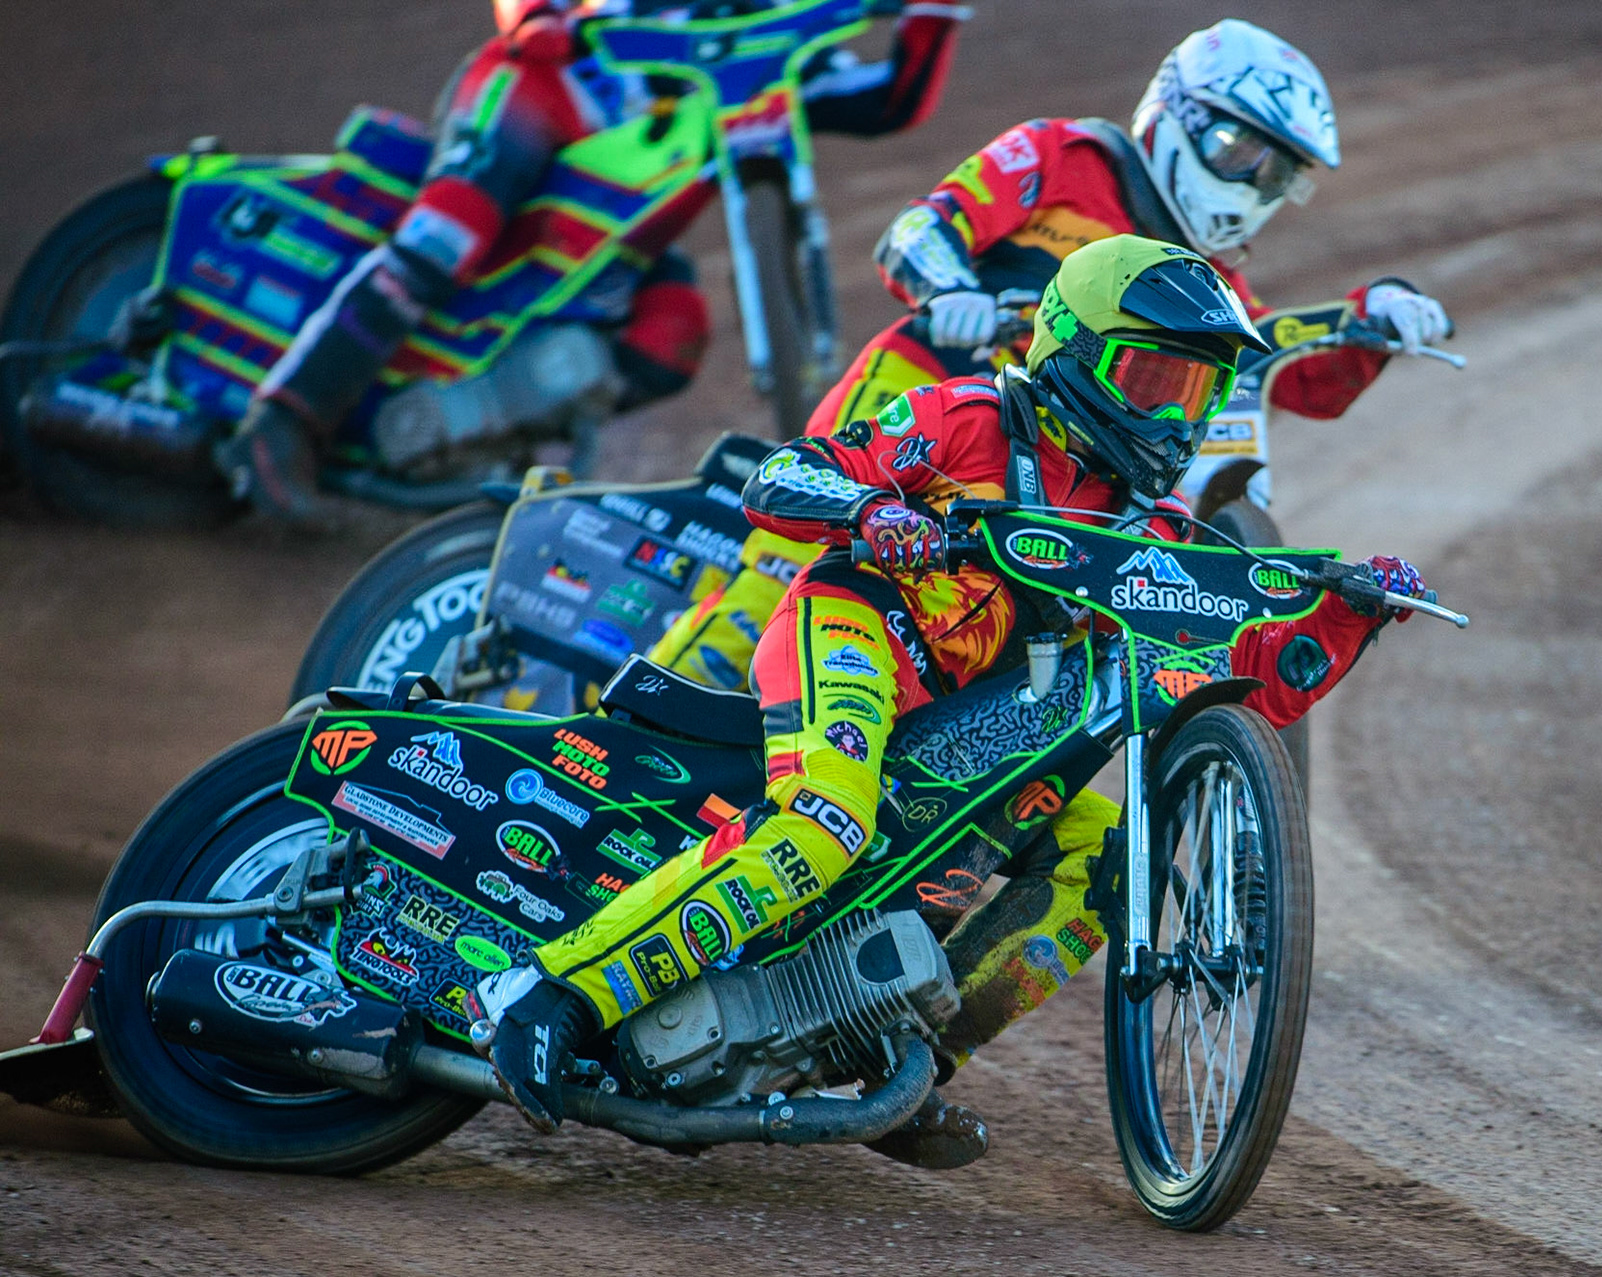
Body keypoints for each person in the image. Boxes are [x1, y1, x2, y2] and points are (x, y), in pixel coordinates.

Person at [472, 235, 1428, 1168]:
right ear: (1076, 353)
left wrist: (1348, 615)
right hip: (857, 633)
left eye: (1196, 391)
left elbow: (1259, 674)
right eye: (1151, 381)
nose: (1174, 417)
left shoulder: (1161, 533)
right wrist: (870, 511)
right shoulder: (970, 416)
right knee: (823, 825)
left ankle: (899, 1066)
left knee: (1104, 854)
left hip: (963, 732)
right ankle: (549, 995)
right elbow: (785, 475)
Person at [645, 16, 1449, 691]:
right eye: (1243, 149)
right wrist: (947, 289)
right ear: (1179, 114)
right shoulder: (1062, 155)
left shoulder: (1208, 284)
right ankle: (618, 742)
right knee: (777, 577)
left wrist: (1365, 319)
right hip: (927, 391)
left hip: (1055, 468)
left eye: (1279, 174)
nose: (1254, 182)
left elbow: (1284, 369)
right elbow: (919, 230)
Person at [219, 0, 968, 524]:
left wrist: (932, 17)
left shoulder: (770, 30)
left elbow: (881, 101)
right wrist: (538, 18)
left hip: (615, 238)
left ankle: (472, 440)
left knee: (672, 328)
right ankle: (281, 418)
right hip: (550, 85)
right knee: (447, 233)